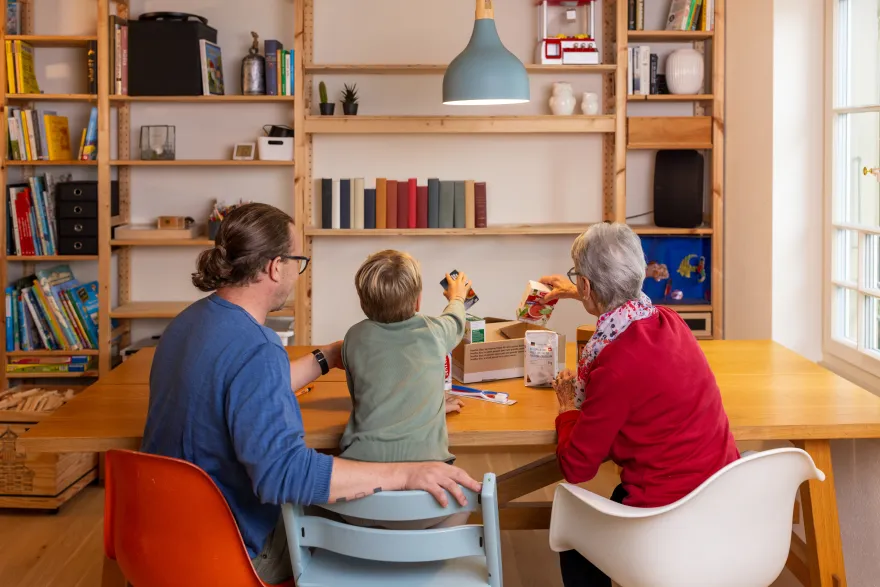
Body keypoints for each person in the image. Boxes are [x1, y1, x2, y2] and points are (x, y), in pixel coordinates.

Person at [141, 203, 480, 585]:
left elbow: (246, 383)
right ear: (274, 266)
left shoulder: (188, 323)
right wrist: (405, 473)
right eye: (297, 260)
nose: (298, 272)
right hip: (226, 553)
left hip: (154, 539)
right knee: (357, 517)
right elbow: (283, 476)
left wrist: (326, 357)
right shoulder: (258, 348)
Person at [540, 223, 739, 587]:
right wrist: (578, 292)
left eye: (578, 278)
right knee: (616, 496)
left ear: (587, 286)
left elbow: (577, 466)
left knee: (572, 518)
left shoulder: (614, 366)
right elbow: (623, 307)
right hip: (722, 499)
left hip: (667, 516)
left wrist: (567, 405)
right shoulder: (670, 320)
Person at [338, 250, 470, 529]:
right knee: (465, 499)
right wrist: (457, 296)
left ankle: (366, 555)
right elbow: (457, 320)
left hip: (360, 501)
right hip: (425, 503)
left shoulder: (354, 337)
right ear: (419, 301)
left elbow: (365, 394)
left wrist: (431, 402)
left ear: (363, 303)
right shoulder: (435, 331)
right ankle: (419, 557)